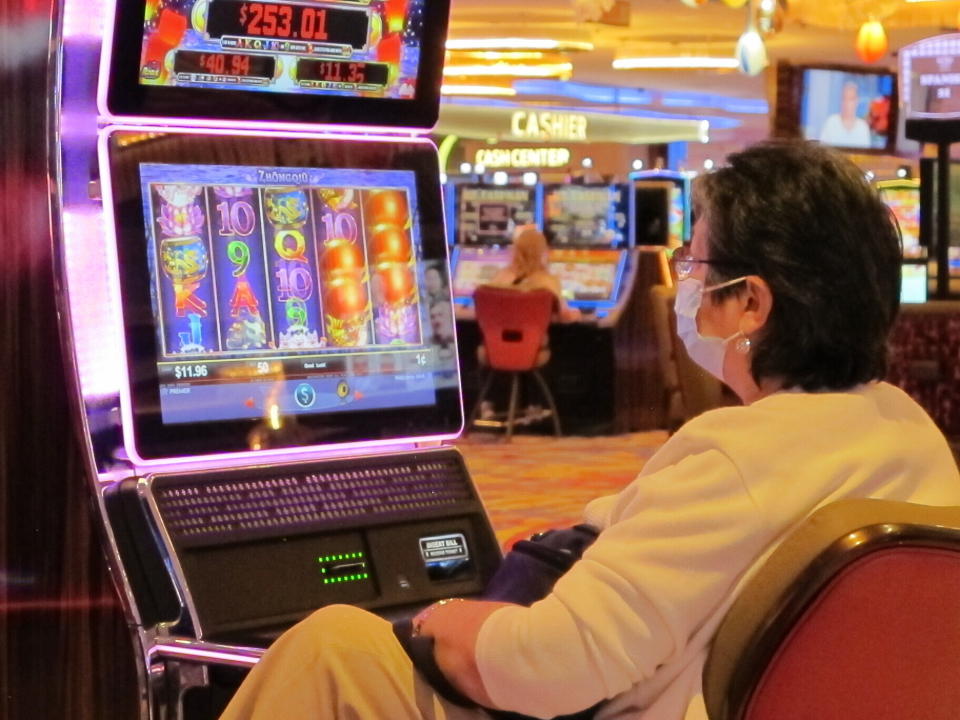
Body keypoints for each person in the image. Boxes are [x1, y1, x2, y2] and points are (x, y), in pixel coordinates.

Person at [220, 141, 960, 720]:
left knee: (334, 646)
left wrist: (446, 621)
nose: (685, 283)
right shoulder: (910, 433)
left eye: (694, 262)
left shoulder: (739, 453)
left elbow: (555, 667)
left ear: (753, 305)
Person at [489, 225, 581, 322]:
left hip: (499, 335)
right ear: (543, 252)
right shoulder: (549, 282)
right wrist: (577, 315)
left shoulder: (500, 277)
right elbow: (563, 317)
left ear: (516, 250)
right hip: (537, 336)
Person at [818, 80, 872, 148]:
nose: (846, 103)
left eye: (850, 99)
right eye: (844, 98)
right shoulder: (831, 122)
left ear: (857, 101)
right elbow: (822, 150)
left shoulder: (863, 127)